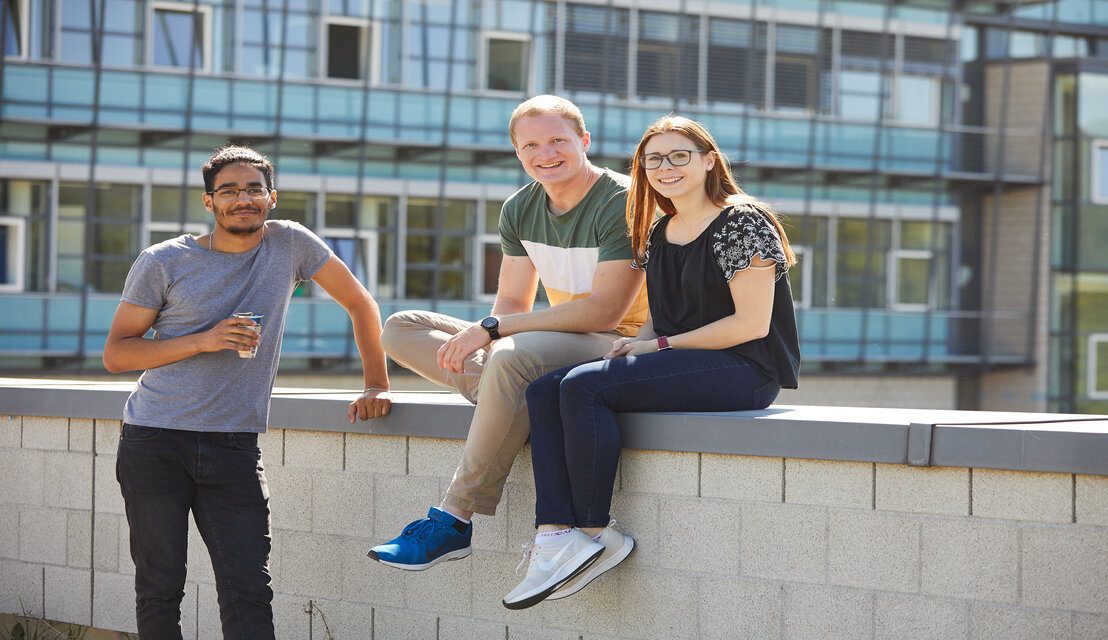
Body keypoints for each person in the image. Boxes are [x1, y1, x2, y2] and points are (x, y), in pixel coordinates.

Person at [501, 116, 801, 609]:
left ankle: (595, 532)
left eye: (679, 155)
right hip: (684, 360)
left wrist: (657, 348)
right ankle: (555, 536)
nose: (666, 167)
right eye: (654, 159)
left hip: (745, 369)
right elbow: (661, 317)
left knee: (582, 387)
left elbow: (751, 324)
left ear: (708, 161)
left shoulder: (742, 220)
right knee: (543, 390)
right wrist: (633, 343)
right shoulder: (660, 229)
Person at [103, 145, 392, 639]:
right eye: (229, 191)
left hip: (234, 444)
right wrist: (205, 339)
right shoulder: (164, 261)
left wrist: (377, 384)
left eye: (254, 189)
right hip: (154, 439)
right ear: (208, 202)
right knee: (160, 584)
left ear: (271, 197)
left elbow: (361, 304)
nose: (243, 199)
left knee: (248, 589)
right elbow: (117, 354)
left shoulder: (291, 245)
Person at [367, 95, 647, 570]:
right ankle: (515, 397)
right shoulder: (520, 207)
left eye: (558, 140)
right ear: (517, 152)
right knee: (400, 328)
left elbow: (603, 312)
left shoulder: (623, 202)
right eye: (531, 144)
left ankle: (453, 519)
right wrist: (494, 333)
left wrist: (495, 332)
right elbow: (515, 301)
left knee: (510, 356)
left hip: (618, 343)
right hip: (556, 345)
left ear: (584, 141)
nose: (546, 153)